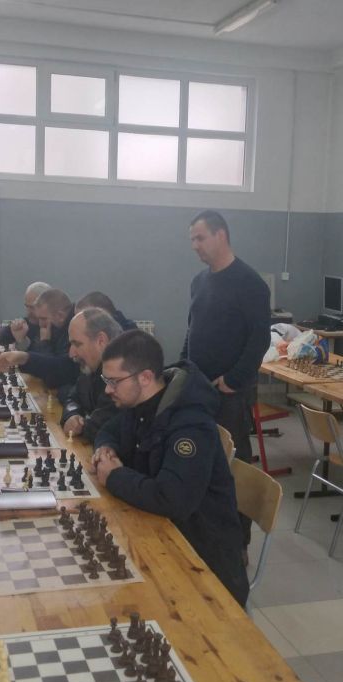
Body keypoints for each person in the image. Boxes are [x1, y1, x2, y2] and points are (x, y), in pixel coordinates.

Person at [92, 329, 249, 608]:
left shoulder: (190, 424)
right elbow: (108, 429)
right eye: (106, 381)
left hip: (203, 561)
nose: (107, 389)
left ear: (145, 377)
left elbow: (172, 499)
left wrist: (115, 476)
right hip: (159, 532)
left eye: (114, 381)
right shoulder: (140, 404)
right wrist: (106, 447)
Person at [182, 210, 271, 558]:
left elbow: (259, 340)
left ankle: (238, 542)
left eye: (200, 238)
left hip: (229, 394)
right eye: (192, 239)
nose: (195, 246)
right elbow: (192, 331)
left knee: (234, 466)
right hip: (197, 387)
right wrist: (183, 369)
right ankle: (203, 530)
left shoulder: (250, 283)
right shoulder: (199, 282)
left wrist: (233, 381)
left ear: (221, 235)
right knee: (200, 460)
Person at [0, 288, 80, 392]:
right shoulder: (54, 324)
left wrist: (42, 345)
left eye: (43, 319)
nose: (40, 323)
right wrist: (22, 342)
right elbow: (46, 364)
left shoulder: (73, 329)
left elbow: (55, 375)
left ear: (60, 315)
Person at [60, 308, 122, 442]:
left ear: (101, 341)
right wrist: (72, 414)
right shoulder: (92, 366)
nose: (71, 354)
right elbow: (73, 397)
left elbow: (100, 425)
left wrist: (81, 425)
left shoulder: (122, 373)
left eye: (77, 344)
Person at [0, 281, 51, 351]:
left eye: (32, 307)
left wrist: (22, 341)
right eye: (27, 307)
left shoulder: (58, 328)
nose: (28, 312)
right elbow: (3, 331)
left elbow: (46, 355)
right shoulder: (27, 324)